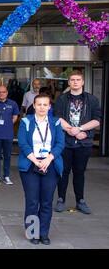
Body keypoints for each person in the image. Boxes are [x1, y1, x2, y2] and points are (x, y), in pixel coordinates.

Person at [18, 93, 65, 245]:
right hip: (31, 164)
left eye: (45, 105)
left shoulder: (56, 122)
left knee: (46, 201)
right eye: (39, 104)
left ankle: (43, 233)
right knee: (32, 201)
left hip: (50, 165)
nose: (42, 107)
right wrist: (36, 161)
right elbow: (23, 143)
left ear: (49, 107)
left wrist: (48, 159)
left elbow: (60, 144)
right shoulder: (26, 121)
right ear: (34, 106)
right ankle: (33, 232)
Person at [54, 70, 101, 214]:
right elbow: (57, 118)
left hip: (83, 143)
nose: (75, 82)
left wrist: (80, 129)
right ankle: (61, 199)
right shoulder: (62, 99)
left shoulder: (92, 99)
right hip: (65, 142)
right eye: (72, 80)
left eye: (78, 80)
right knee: (64, 172)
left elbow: (96, 120)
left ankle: (80, 201)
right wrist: (70, 130)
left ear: (82, 82)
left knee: (80, 172)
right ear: (68, 82)